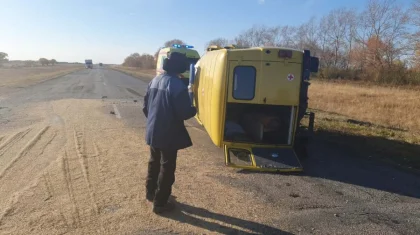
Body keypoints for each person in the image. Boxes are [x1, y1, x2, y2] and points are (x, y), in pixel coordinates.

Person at [142, 51, 197, 214]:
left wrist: (155, 121)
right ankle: (161, 202)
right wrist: (195, 107)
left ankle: (150, 193)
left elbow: (146, 107)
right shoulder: (177, 85)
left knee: (154, 162)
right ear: (180, 67)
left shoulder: (154, 80)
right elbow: (185, 113)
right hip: (168, 133)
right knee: (167, 167)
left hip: (153, 130)